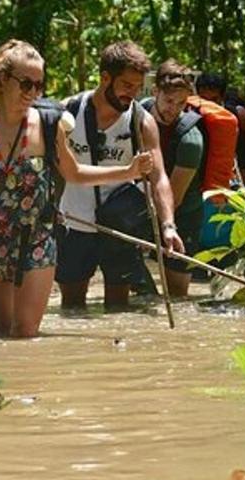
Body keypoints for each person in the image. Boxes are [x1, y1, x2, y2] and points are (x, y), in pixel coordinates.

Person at [0, 40, 154, 338]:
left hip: (37, 237)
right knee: (1, 333)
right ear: (2, 79)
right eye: (25, 84)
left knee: (25, 334)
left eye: (39, 85)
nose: (33, 93)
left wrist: (128, 171)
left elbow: (72, 172)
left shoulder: (49, 124)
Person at [56, 42, 184, 308]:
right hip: (73, 220)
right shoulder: (67, 112)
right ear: (105, 78)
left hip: (118, 223)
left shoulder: (142, 122)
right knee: (72, 307)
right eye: (127, 85)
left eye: (138, 87)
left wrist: (168, 225)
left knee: (118, 308)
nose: (133, 94)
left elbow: (159, 178)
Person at [142, 60, 205, 297]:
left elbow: (174, 198)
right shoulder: (137, 115)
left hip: (183, 213)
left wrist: (163, 226)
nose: (174, 109)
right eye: (169, 101)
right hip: (142, 204)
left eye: (181, 103)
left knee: (177, 294)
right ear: (155, 92)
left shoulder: (191, 140)